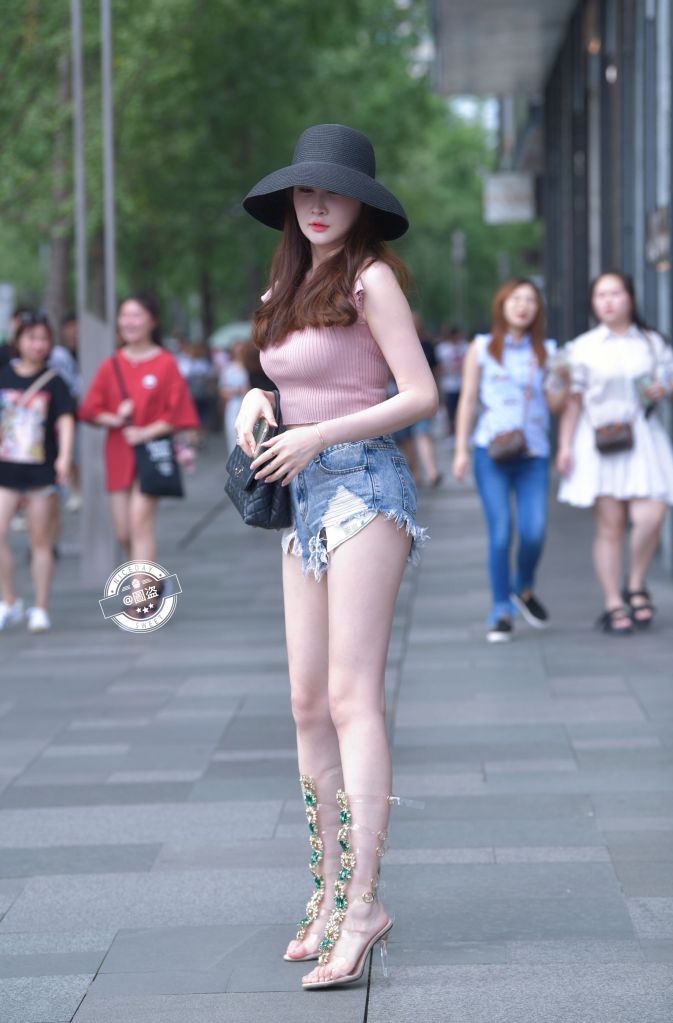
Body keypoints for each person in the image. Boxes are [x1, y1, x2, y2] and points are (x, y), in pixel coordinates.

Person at [237, 123, 437, 990]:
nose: (318, 205)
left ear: (360, 203)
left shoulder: (370, 278)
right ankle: (324, 893)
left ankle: (363, 903)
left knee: (353, 695)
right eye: (305, 191)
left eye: (334, 192)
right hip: (302, 495)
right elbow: (283, 376)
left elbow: (419, 393)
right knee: (305, 700)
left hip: (363, 486)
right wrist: (255, 399)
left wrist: (318, 432)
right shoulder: (286, 283)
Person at [557, 271, 673, 634]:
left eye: (615, 293)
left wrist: (664, 389)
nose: (608, 301)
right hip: (598, 440)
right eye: (601, 295)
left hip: (643, 437)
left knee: (651, 515)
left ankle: (635, 582)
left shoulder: (652, 342)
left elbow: (668, 379)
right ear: (593, 303)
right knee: (611, 527)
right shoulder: (582, 347)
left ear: (630, 298)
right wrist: (564, 446)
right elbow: (573, 402)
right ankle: (612, 602)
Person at [452, 279, 567, 642]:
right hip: (492, 452)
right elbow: (468, 399)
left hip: (534, 455)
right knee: (501, 532)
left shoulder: (549, 351)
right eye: (516, 299)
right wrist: (460, 450)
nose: (523, 305)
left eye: (530, 300)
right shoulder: (482, 347)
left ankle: (524, 587)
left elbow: (555, 405)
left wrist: (561, 380)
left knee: (534, 532)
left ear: (538, 309)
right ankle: (501, 609)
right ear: (502, 305)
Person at [78, 294, 199, 562]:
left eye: (136, 315)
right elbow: (88, 410)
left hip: (152, 454)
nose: (129, 322)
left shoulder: (165, 363)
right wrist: (114, 418)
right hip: (119, 454)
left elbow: (180, 414)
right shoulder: (111, 365)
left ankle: (142, 589)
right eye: (124, 315)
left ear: (152, 321)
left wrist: (145, 432)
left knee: (139, 523)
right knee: (123, 532)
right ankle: (152, 580)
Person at [0, 313, 75, 632]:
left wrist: (65, 458)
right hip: (5, 470)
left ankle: (40, 607)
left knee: (40, 540)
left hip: (42, 471)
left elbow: (66, 420)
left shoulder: (54, 381)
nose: (38, 345)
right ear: (18, 341)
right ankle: (9, 600)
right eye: (31, 338)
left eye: (43, 338)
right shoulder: (4, 375)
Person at [435, 325, 469, 435]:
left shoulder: (465, 347)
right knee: (450, 409)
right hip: (448, 384)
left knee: (462, 407)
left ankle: (462, 428)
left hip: (463, 383)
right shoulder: (442, 349)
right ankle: (452, 428)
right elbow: (439, 366)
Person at [219, 340, 250, 453]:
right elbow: (222, 390)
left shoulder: (250, 367)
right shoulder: (228, 368)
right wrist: (234, 392)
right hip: (233, 405)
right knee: (233, 433)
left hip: (248, 403)